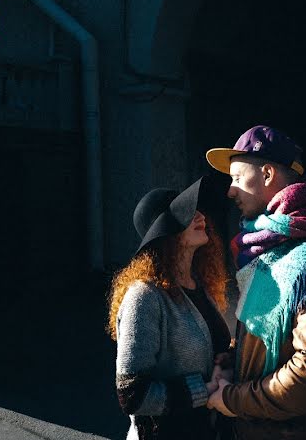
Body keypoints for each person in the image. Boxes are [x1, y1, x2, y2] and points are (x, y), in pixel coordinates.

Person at [204, 125, 306, 440]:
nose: (230, 191)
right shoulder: (268, 251)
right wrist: (233, 360)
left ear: (267, 174)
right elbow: (262, 338)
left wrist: (232, 399)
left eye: (238, 178)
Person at [108, 176, 234, 440]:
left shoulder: (200, 286)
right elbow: (132, 394)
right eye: (187, 212)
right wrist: (206, 389)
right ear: (166, 232)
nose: (200, 215)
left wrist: (228, 358)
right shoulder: (144, 297)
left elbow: (210, 348)